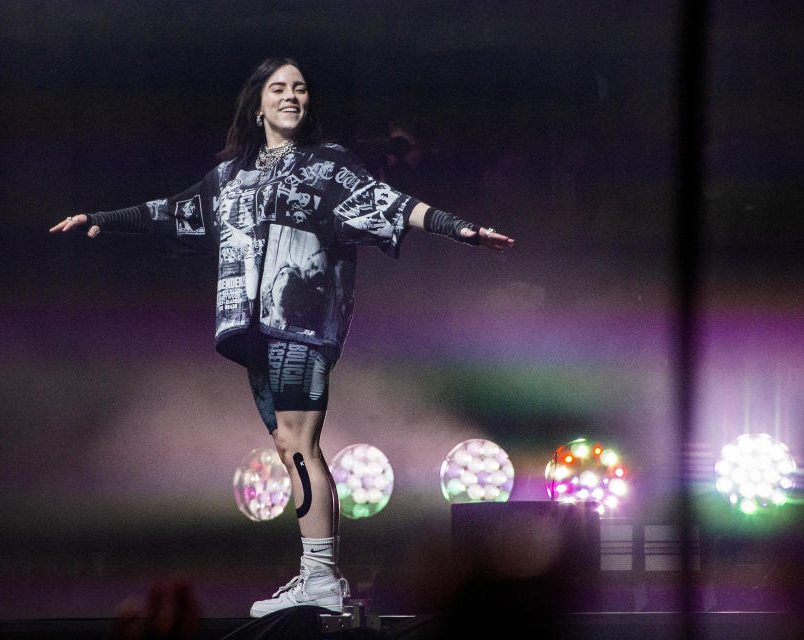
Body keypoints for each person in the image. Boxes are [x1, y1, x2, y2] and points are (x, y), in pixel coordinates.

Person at [50, 57, 513, 618]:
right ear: (258, 103)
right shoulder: (229, 177)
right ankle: (319, 575)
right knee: (289, 446)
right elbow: (174, 211)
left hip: (301, 320)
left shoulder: (328, 165)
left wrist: (457, 228)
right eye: (278, 88)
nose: (291, 96)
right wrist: (103, 218)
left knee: (299, 443)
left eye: (299, 88)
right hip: (253, 329)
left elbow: (390, 203)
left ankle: (320, 577)